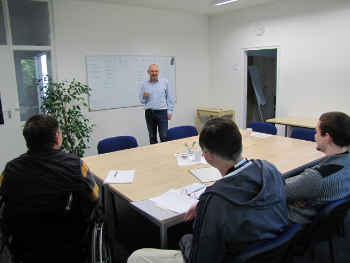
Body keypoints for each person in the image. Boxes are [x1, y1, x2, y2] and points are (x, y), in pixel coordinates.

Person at [128, 117, 289, 263]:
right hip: (271, 254)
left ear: (208, 155)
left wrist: (185, 240)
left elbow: (200, 258)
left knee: (136, 257)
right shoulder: (270, 169)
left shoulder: (214, 200)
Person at [0, 114, 99, 212]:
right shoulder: (77, 165)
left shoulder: (9, 169)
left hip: (21, 226)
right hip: (69, 225)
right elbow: (95, 198)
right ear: (56, 137)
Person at [286, 111, 350, 227]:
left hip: (294, 222)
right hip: (323, 224)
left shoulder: (316, 178)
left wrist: (294, 194)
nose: (315, 136)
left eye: (317, 132)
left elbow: (278, 189)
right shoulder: (346, 163)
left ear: (327, 137)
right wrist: (299, 191)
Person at [139, 64, 174, 144]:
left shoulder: (165, 82)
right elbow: (142, 100)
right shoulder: (145, 84)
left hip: (162, 113)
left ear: (158, 72)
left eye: (156, 71)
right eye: (152, 71)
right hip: (149, 114)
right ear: (148, 72)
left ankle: (164, 155)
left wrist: (169, 111)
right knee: (152, 137)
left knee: (164, 137)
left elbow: (169, 98)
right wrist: (143, 96)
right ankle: (154, 156)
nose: (154, 73)